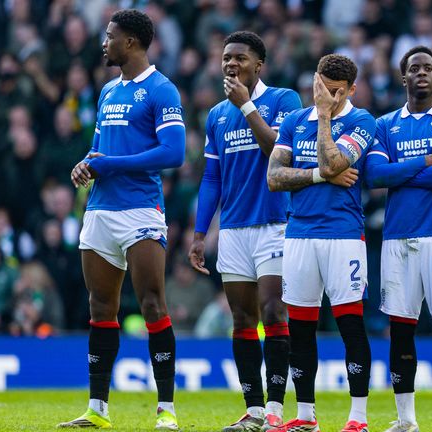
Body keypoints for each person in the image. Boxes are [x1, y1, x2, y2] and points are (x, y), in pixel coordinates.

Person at [59, 9, 185, 430]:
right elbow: (100, 147)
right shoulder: (108, 91)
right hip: (100, 209)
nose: (104, 43)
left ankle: (166, 409)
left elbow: (173, 153)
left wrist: (109, 164)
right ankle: (97, 408)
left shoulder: (162, 90)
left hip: (139, 209)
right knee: (101, 307)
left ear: (130, 42)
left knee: (152, 302)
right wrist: (86, 163)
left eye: (109, 36)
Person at [188, 30, 302, 432]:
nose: (231, 65)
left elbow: (278, 152)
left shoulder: (284, 101)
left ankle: (275, 409)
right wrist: (201, 233)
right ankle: (253, 410)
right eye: (226, 59)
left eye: (239, 58)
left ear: (259, 64)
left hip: (275, 222)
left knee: (274, 311)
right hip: (234, 230)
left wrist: (248, 106)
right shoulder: (217, 114)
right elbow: (212, 179)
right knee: (241, 319)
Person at [364, 45, 432, 432]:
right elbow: (374, 176)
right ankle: (406, 419)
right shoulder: (384, 124)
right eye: (414, 68)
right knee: (401, 329)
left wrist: (400, 169)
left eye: (428, 67)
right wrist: (424, 161)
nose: (421, 73)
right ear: (403, 77)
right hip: (397, 238)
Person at [266, 54, 375, 432]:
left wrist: (326, 118)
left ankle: (358, 417)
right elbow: (275, 177)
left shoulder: (362, 121)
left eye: (334, 92)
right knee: (299, 328)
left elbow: (335, 163)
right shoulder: (294, 121)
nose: (323, 97)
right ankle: (307, 416)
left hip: (342, 234)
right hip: (299, 234)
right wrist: (318, 176)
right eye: (320, 87)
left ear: (350, 91)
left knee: (350, 326)